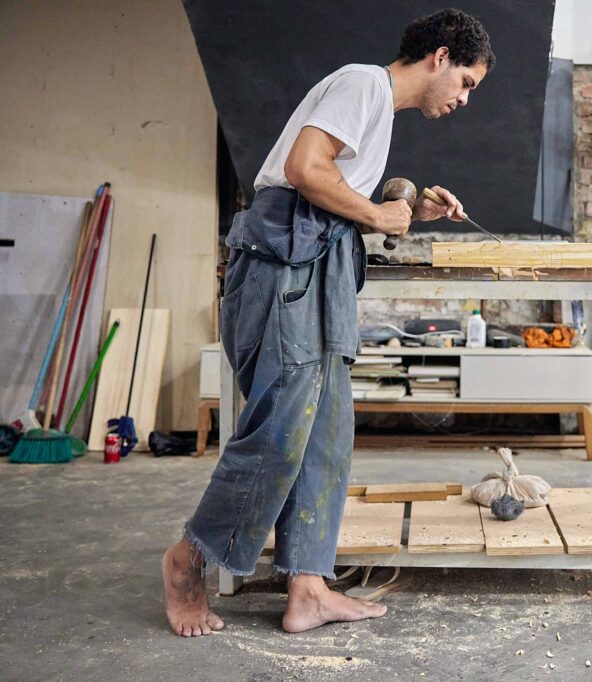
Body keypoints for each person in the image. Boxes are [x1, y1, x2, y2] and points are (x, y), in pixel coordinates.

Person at [162, 8, 494, 637]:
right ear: (442, 56)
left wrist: (408, 208)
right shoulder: (363, 83)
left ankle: (308, 588)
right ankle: (188, 561)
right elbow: (304, 170)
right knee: (281, 432)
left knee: (326, 436)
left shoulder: (376, 109)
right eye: (467, 82)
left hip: (319, 274)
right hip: (284, 272)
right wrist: (376, 215)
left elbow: (340, 190)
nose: (464, 98)